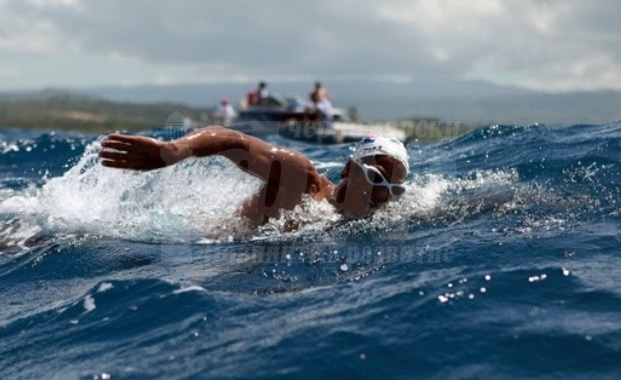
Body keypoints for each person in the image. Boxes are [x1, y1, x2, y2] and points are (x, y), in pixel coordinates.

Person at [98, 127, 409, 228]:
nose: (382, 196)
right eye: (376, 178)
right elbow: (230, 140)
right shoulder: (298, 180)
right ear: (348, 170)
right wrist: (173, 151)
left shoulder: (378, 220)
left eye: (395, 190)